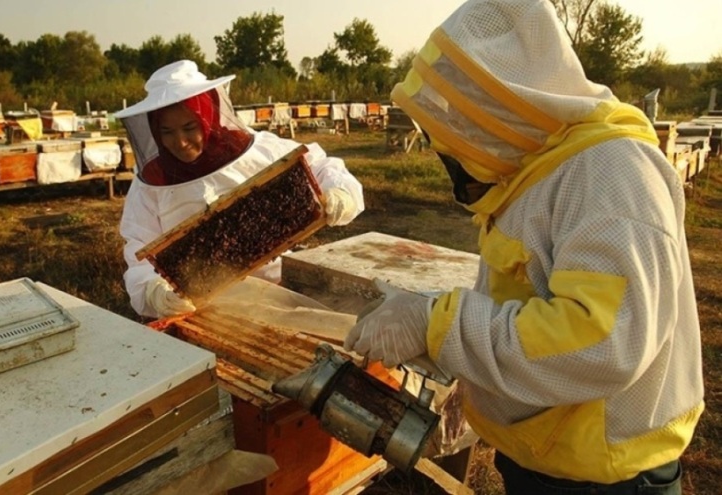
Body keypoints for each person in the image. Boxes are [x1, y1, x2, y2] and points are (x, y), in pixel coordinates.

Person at [344, 0, 704, 493]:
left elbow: (601, 342)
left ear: (501, 99)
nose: (451, 137)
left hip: (606, 479)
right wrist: (433, 332)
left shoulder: (611, 173)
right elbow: (529, 301)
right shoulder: (544, 168)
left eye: (462, 109)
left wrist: (437, 324)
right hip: (548, 457)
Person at [116, 60, 364, 319]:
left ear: (208, 119)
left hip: (275, 287)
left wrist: (339, 191)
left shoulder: (258, 151)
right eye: (166, 132)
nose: (179, 141)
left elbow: (321, 167)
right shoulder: (151, 183)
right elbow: (139, 247)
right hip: (200, 309)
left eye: (190, 127)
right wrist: (154, 290)